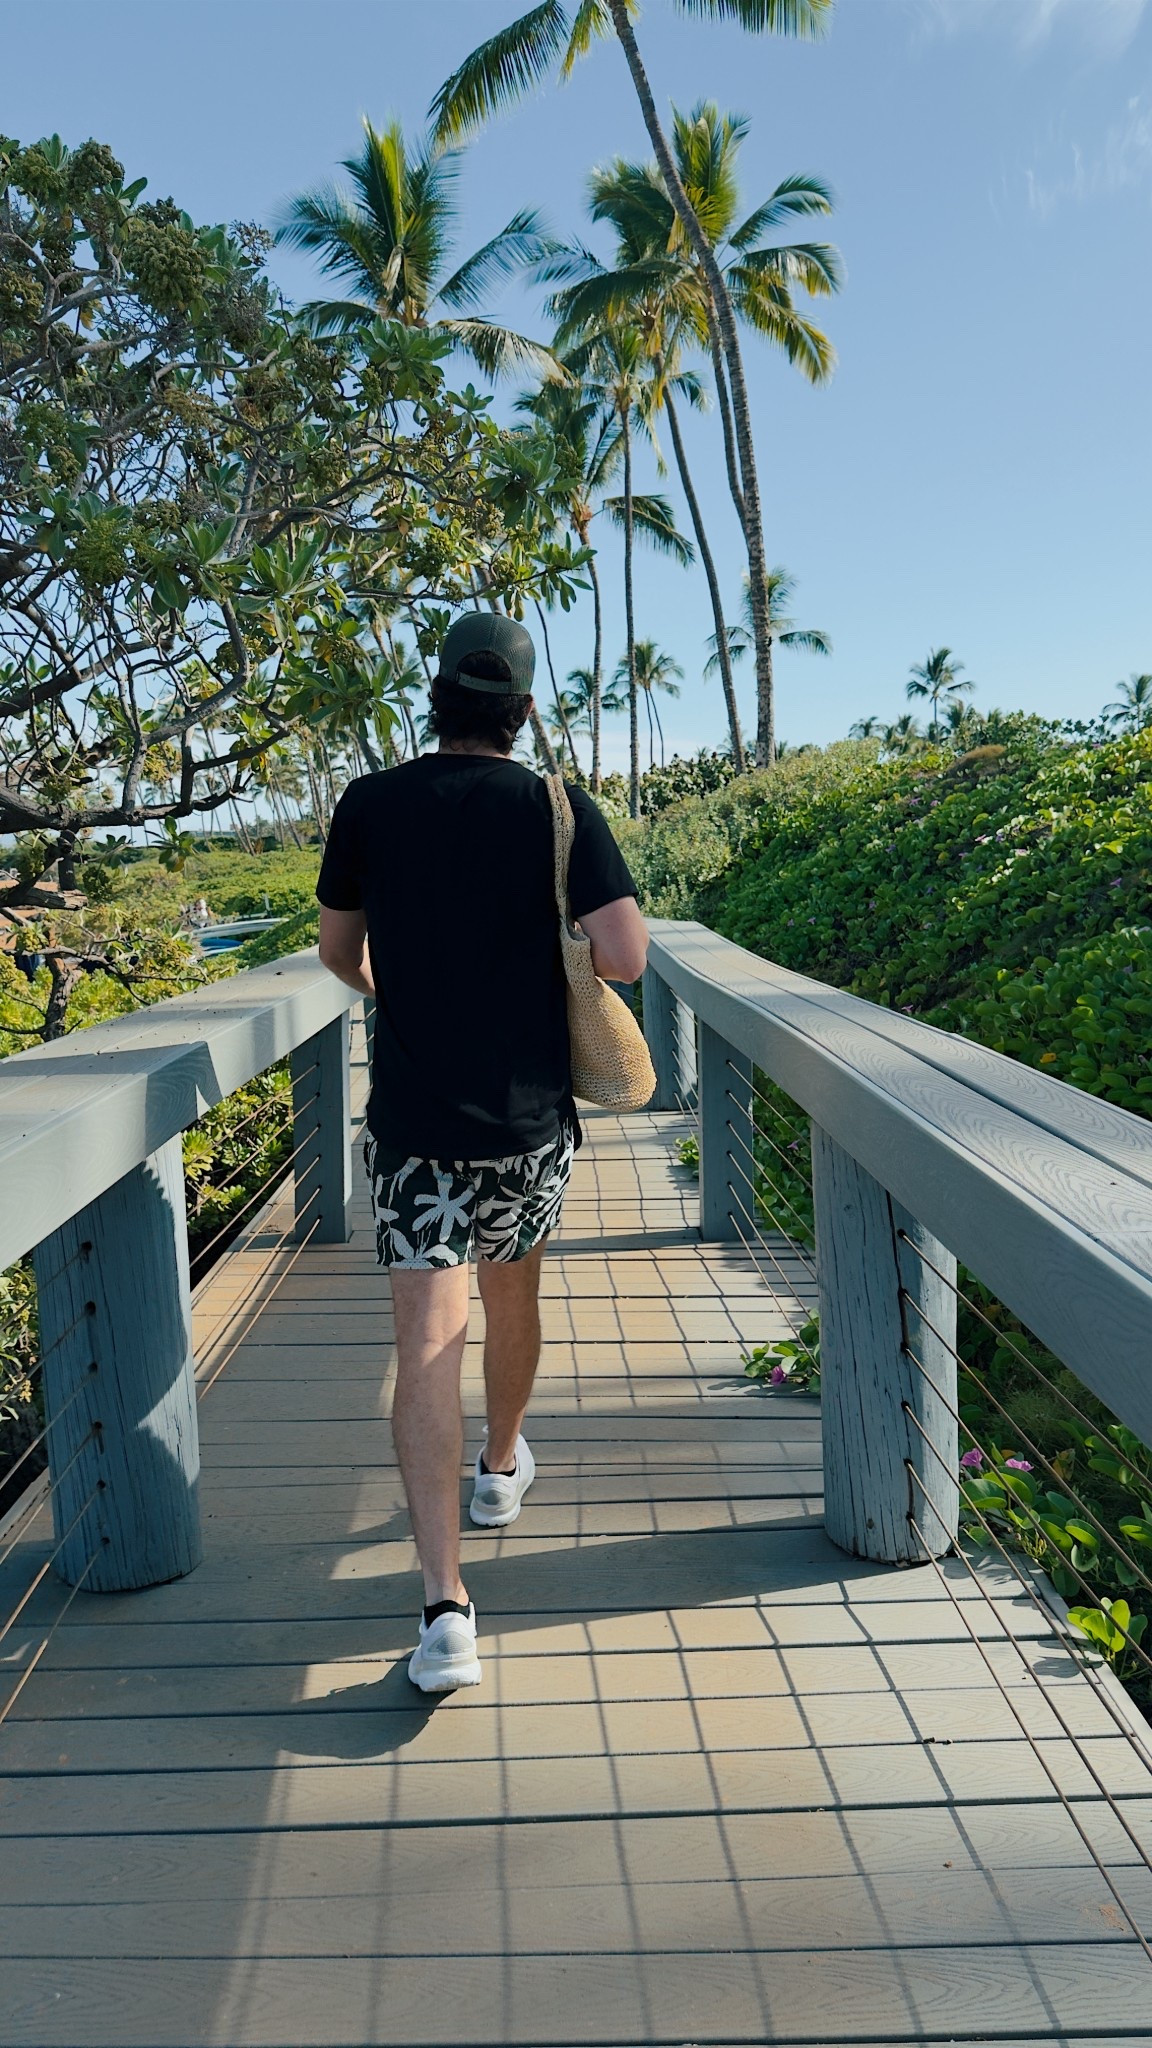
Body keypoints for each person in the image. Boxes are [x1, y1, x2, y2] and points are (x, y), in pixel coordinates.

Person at [316, 614, 648, 1691]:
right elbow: (627, 957)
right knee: (513, 1296)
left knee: (424, 1344)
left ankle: (445, 1609)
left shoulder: (370, 802)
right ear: (521, 706)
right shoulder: (556, 804)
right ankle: (501, 1466)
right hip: (526, 1120)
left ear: (438, 695)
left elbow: (337, 951)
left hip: (413, 1120)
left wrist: (401, 998)